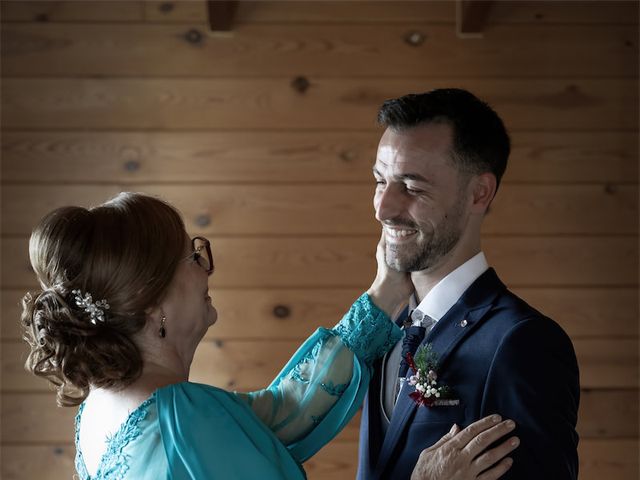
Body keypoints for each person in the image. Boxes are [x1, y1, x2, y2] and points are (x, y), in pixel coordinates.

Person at [21, 192, 519, 479]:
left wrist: (385, 294)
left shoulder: (102, 409)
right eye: (191, 257)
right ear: (155, 307)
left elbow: (275, 418)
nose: (204, 268)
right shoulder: (182, 415)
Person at [356, 89, 581, 480]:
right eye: (380, 180)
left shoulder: (523, 343)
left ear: (479, 193)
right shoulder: (384, 327)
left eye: (411, 187)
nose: (383, 207)